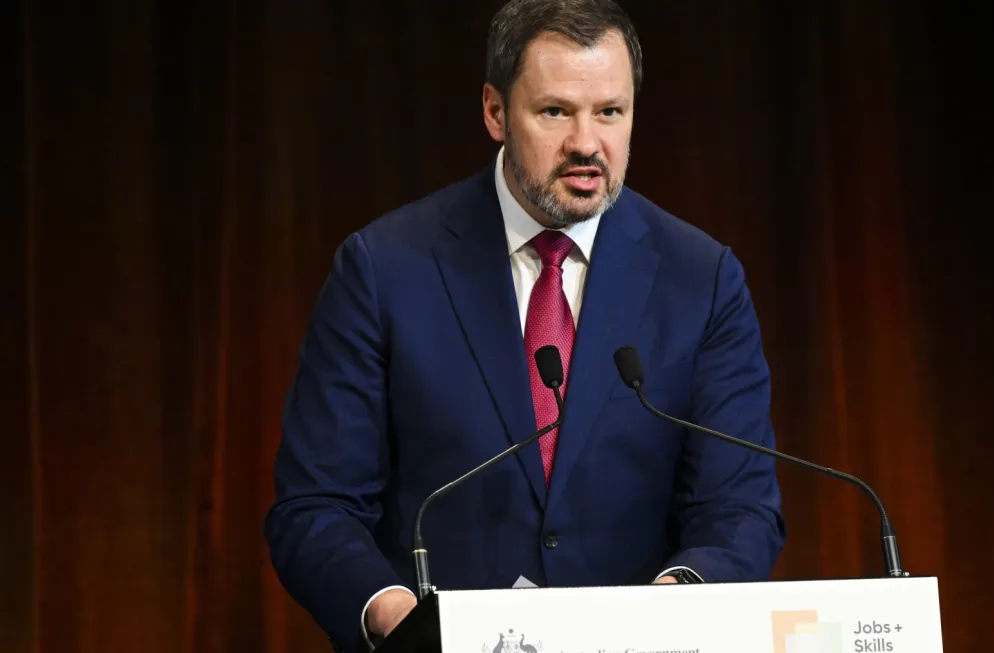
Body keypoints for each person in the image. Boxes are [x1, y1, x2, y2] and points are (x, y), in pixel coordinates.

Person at [264, 0, 786, 650]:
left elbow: (739, 509)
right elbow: (316, 505)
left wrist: (668, 611)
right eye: (554, 111)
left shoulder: (701, 279)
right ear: (494, 111)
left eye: (609, 112)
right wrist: (403, 621)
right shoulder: (383, 268)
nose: (586, 143)